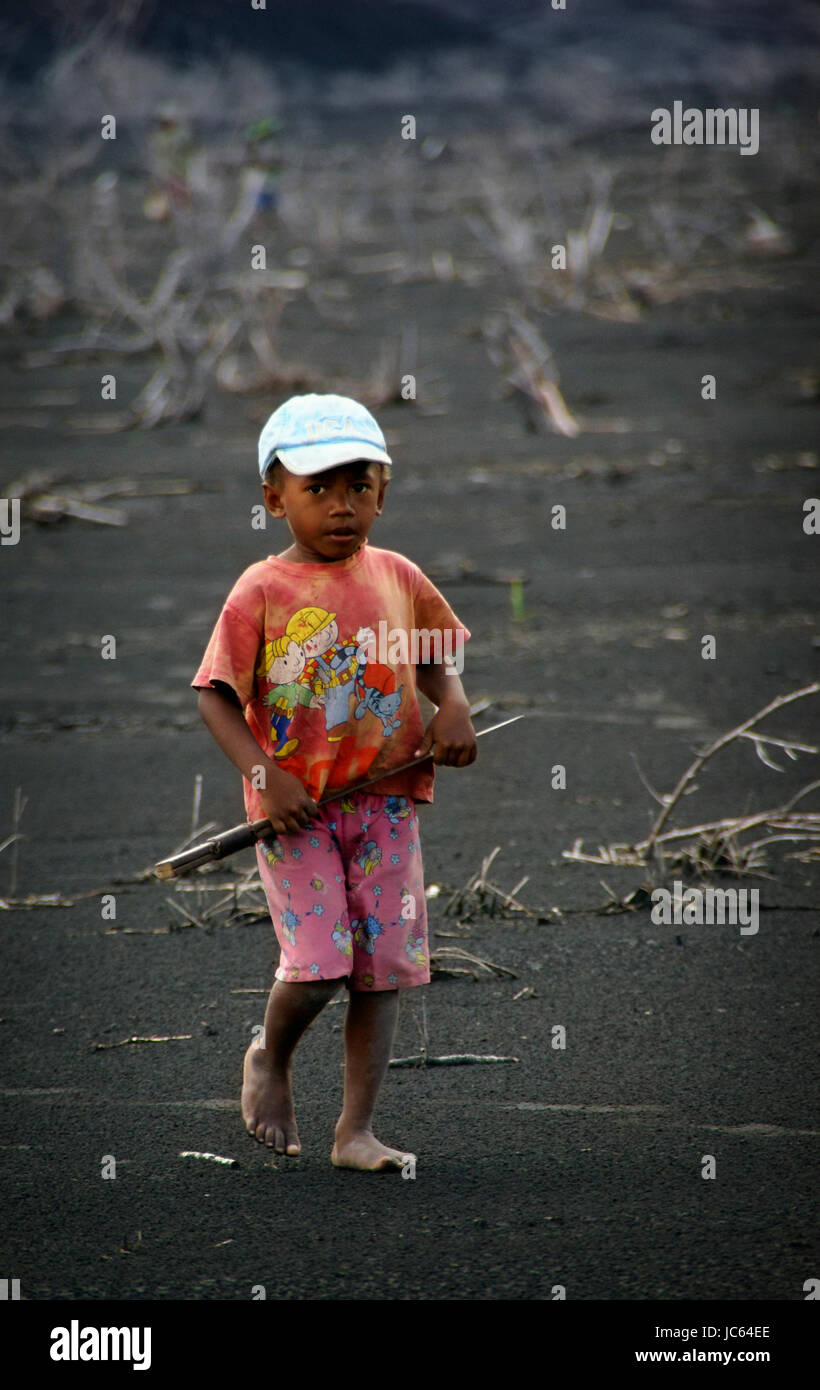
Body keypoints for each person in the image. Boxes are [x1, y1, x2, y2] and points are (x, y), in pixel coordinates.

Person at [192, 394, 477, 1171]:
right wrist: (265, 775)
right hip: (297, 814)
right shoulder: (260, 589)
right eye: (317, 489)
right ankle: (271, 1060)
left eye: (359, 486)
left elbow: (435, 655)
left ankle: (355, 1130)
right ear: (273, 496)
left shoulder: (399, 576)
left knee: (379, 970)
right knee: (318, 965)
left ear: (383, 491)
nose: (341, 506)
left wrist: (451, 706)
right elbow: (214, 692)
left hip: (386, 803)